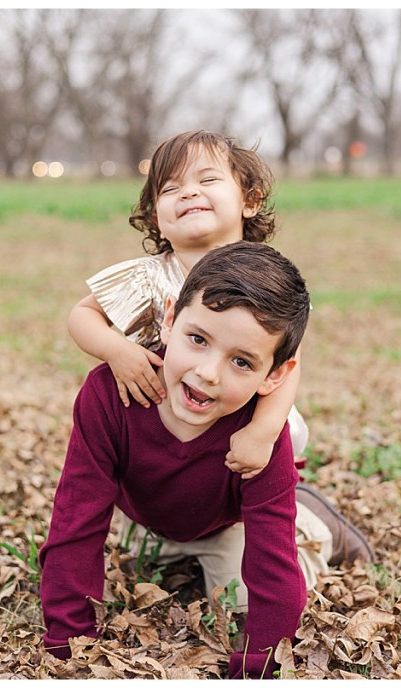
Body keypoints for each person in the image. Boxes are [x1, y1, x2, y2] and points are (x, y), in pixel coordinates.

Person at [39, 242, 374, 679]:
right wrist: (68, 645)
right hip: (149, 520)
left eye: (241, 362)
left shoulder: (259, 434)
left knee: (244, 603)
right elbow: (76, 522)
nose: (208, 373)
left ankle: (315, 524)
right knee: (137, 563)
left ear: (273, 376)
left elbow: (273, 567)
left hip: (229, 524)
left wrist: (257, 669)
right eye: (197, 340)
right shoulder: (109, 396)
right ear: (170, 320)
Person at [67, 130, 307, 480]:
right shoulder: (146, 277)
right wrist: (117, 351)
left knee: (275, 447)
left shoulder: (266, 281)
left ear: (250, 200)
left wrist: (263, 431)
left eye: (207, 180)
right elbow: (83, 315)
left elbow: (287, 364)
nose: (189, 192)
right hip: (165, 418)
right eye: (170, 188)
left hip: (239, 412)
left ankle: (276, 493)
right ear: (156, 220)